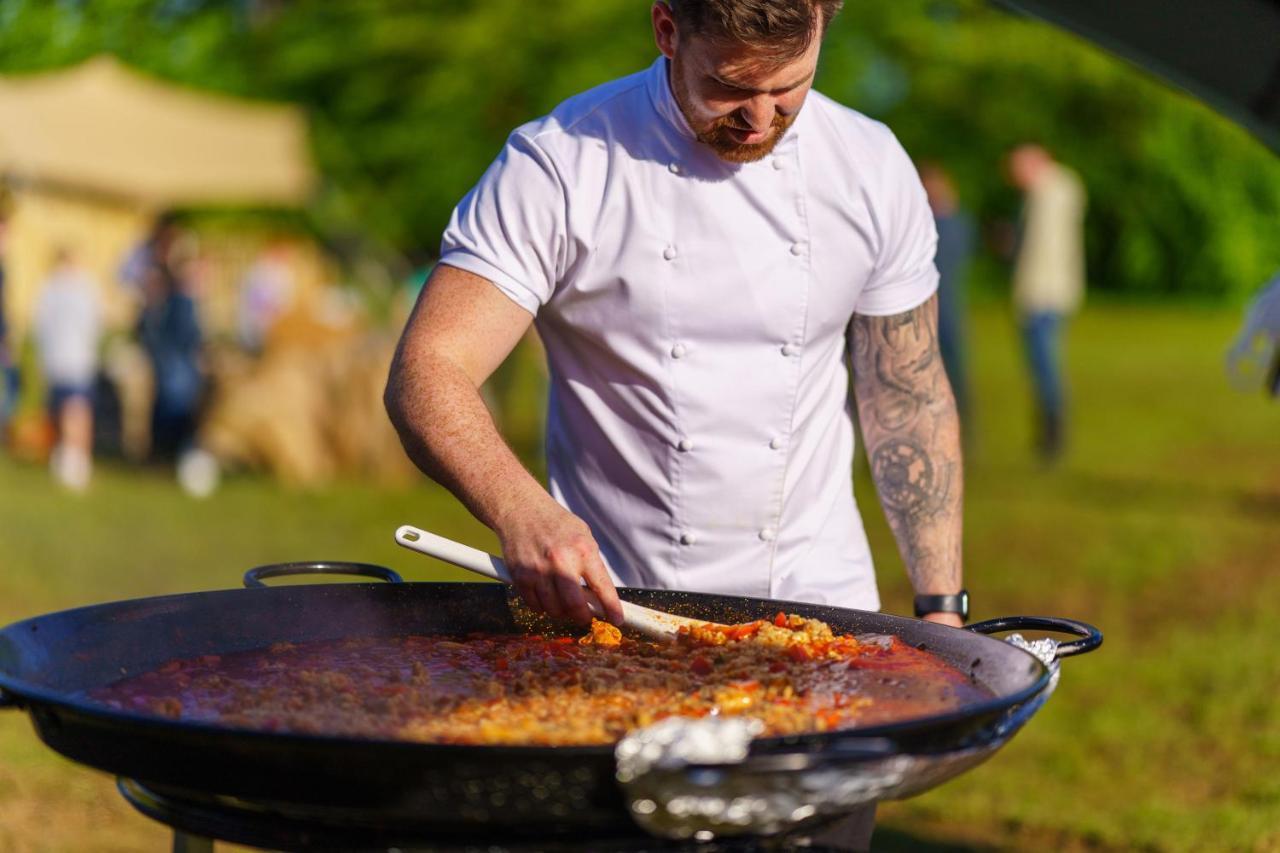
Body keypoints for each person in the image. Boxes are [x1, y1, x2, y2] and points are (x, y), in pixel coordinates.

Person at [385, 3, 964, 847]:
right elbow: (426, 369)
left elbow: (907, 393)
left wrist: (940, 608)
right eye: (730, 87)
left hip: (821, 631)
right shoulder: (562, 162)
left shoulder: (870, 165)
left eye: (790, 86)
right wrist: (521, 509)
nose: (761, 117)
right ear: (666, 29)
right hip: (620, 624)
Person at [1006, 143, 1086, 461]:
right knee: (1042, 366)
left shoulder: (1050, 193)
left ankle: (1052, 436)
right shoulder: (1054, 192)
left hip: (1043, 295)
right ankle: (1047, 434)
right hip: (1049, 293)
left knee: (1045, 367)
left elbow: (1041, 251)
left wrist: (1027, 295)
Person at [33, 247, 103, 491]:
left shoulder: (69, 287)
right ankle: (73, 455)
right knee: (73, 409)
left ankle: (76, 455)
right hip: (69, 359)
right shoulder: (60, 287)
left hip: (70, 358)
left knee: (74, 408)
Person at [919, 161, 976, 431]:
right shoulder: (922, 220)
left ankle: (962, 423)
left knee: (953, 370)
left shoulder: (954, 222)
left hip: (948, 309)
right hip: (925, 309)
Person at [137, 260, 204, 463]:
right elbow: (189, 338)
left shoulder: (170, 304)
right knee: (174, 417)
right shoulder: (180, 303)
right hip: (176, 373)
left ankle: (168, 456)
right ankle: (170, 456)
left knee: (173, 418)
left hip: (173, 372)